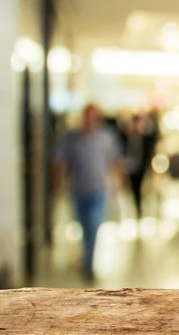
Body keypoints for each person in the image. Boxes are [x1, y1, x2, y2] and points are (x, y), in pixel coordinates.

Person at [53, 104, 125, 282]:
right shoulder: (72, 138)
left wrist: (119, 184)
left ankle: (88, 265)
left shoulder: (106, 138)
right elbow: (59, 160)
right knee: (84, 228)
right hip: (78, 189)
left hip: (98, 190)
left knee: (94, 226)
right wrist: (59, 184)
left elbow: (115, 161)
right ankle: (86, 258)